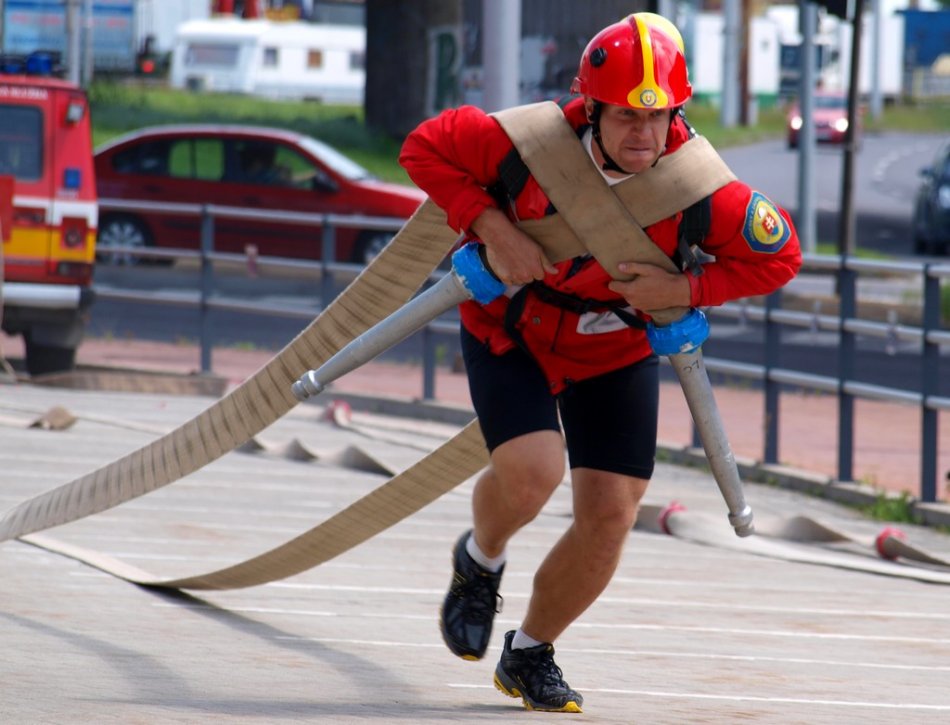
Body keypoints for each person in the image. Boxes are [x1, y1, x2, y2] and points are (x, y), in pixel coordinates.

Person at [399, 12, 801, 713]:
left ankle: (530, 653)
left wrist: (687, 289)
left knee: (612, 512)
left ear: (676, 113)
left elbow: (780, 255)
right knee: (532, 474)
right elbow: (423, 147)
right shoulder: (527, 143)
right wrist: (489, 226)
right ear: (591, 109)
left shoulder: (702, 189)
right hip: (513, 329)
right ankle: (480, 560)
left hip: (614, 346)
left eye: (657, 116)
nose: (643, 134)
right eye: (625, 117)